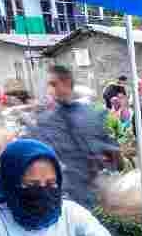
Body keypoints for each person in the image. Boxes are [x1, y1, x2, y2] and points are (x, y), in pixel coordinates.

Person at [27, 65, 120, 207]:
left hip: (86, 194)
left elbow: (110, 153)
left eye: (53, 84)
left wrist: (107, 159)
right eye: (49, 85)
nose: (50, 90)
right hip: (58, 195)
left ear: (66, 83)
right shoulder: (46, 120)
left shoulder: (90, 115)